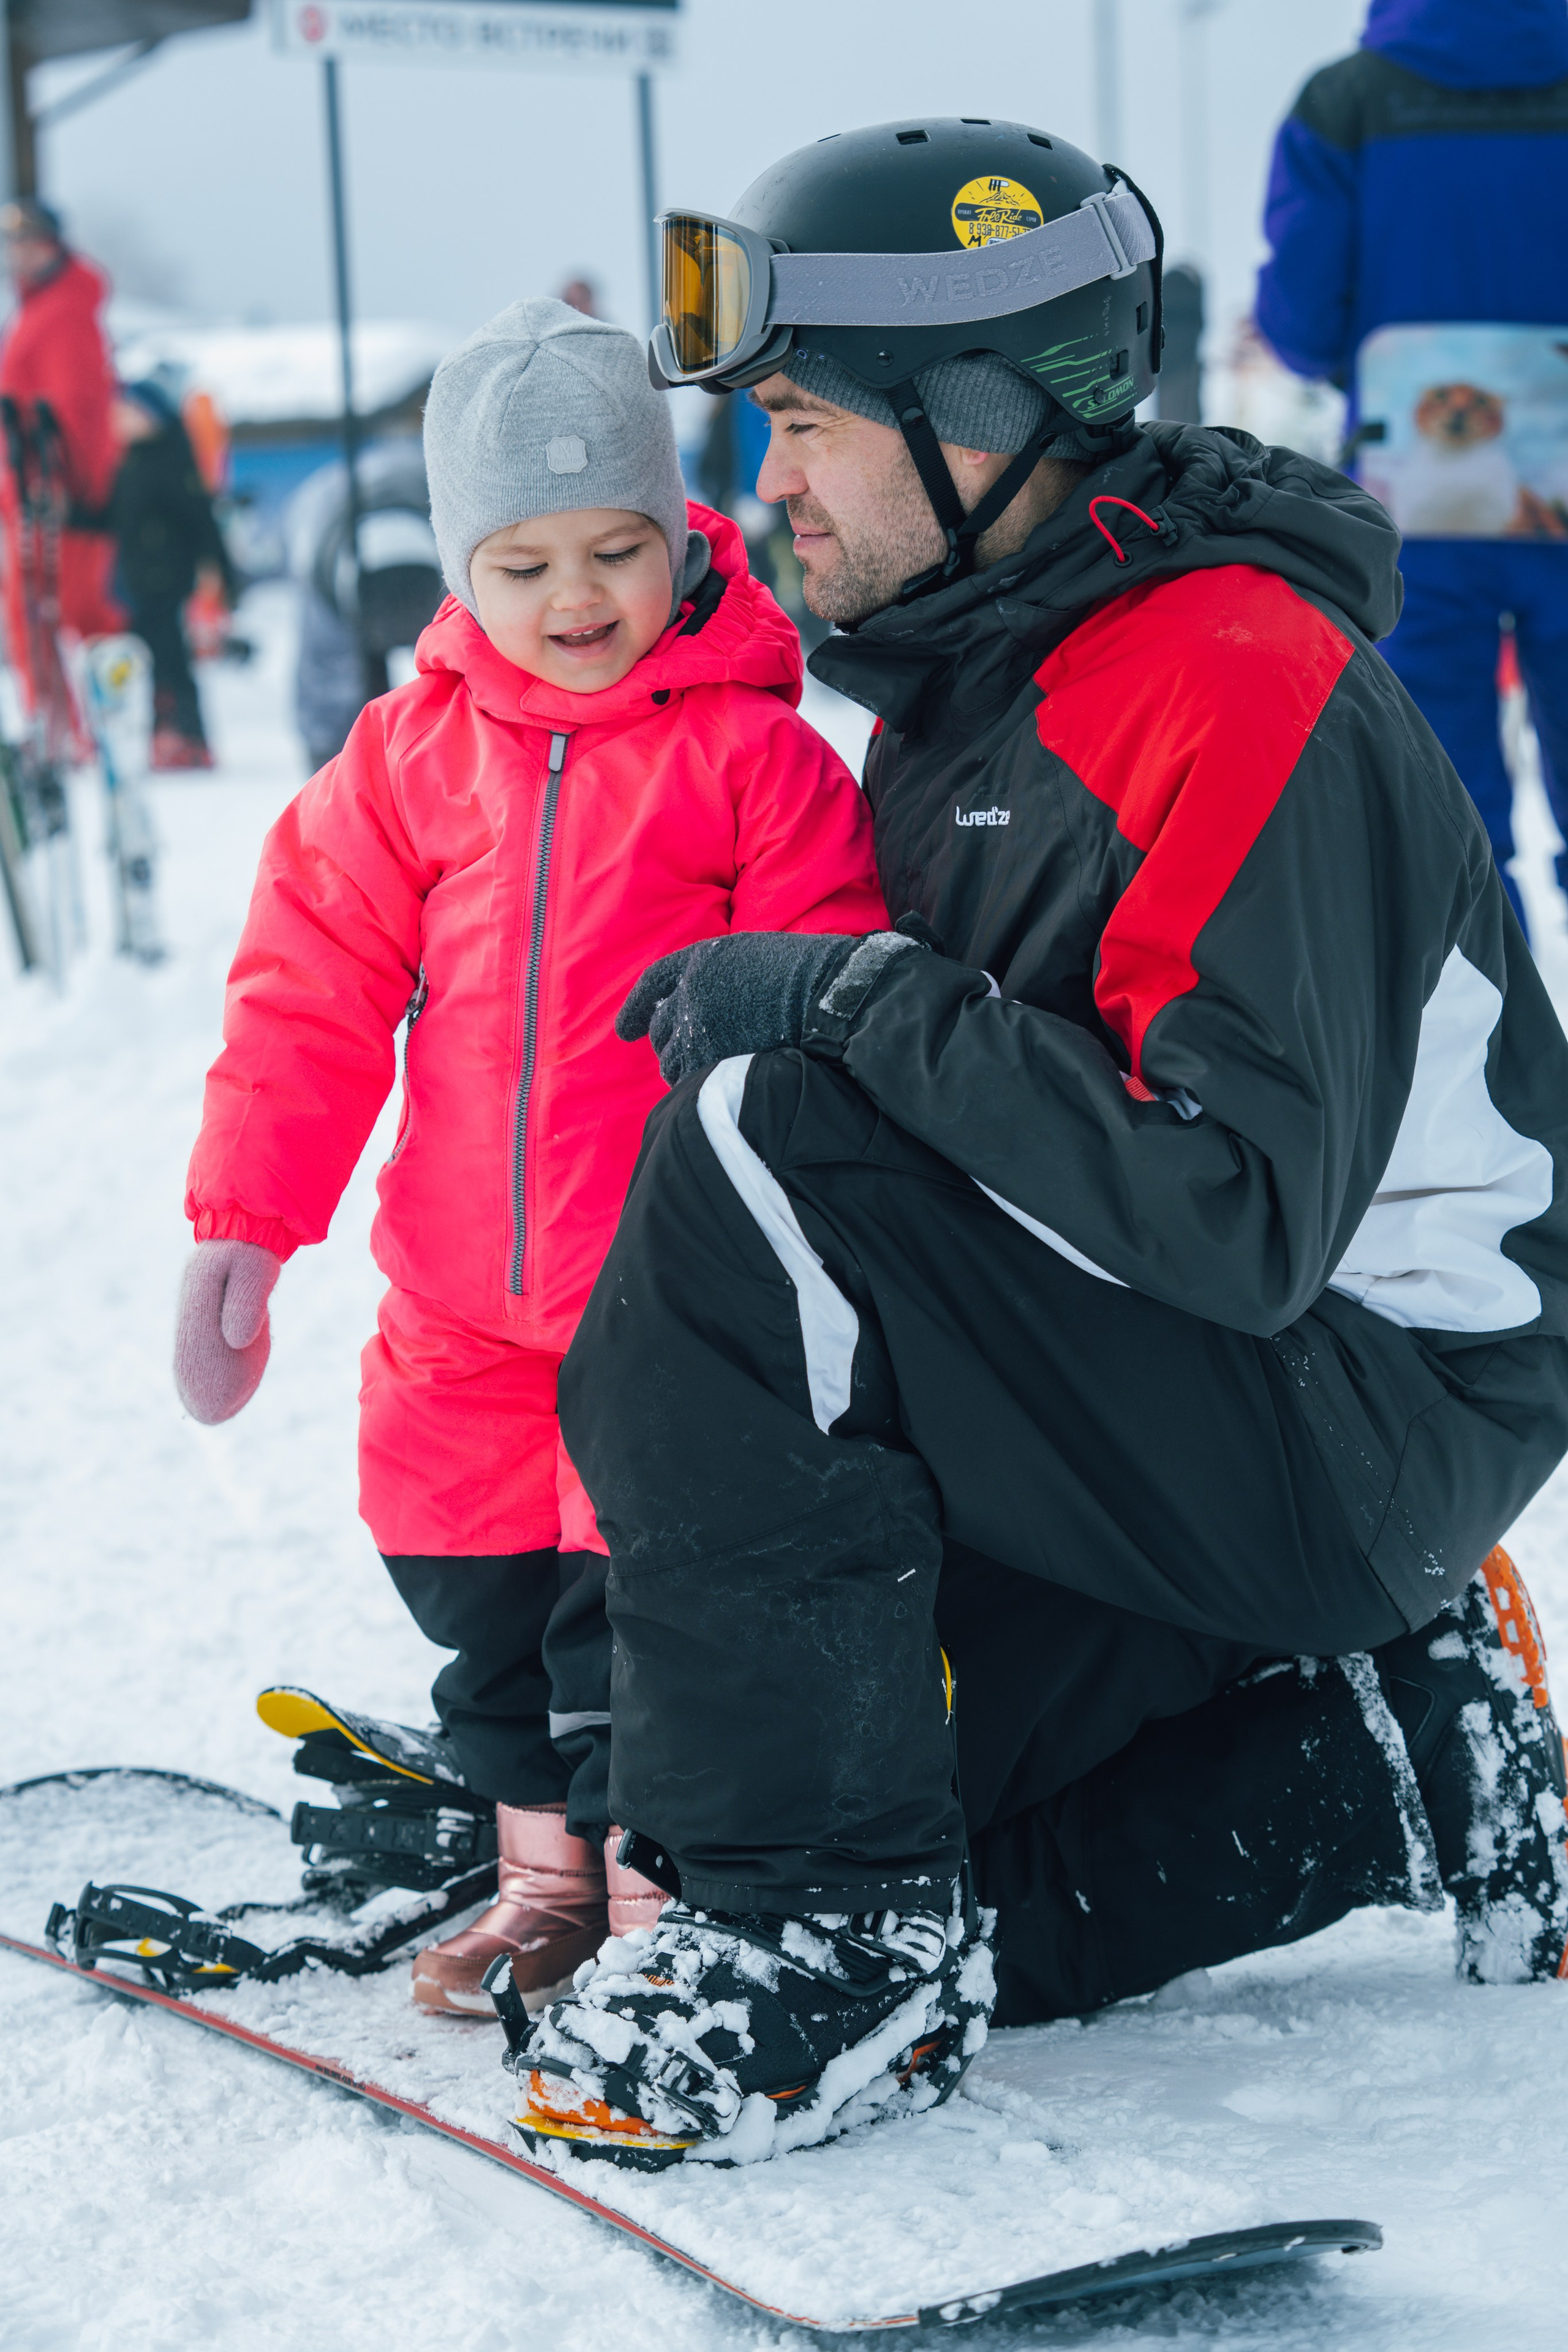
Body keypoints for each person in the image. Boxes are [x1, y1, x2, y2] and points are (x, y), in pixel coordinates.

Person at [509, 118, 1568, 2173]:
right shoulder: (980, 698)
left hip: (1368, 1399)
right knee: (852, 1763)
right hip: (1209, 1415)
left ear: (981, 415)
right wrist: (589, 1746)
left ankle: (828, 1950)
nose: (772, 483)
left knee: (766, 1138)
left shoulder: (1234, 686)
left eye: (806, 422)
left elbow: (1236, 1209)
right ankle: (1356, 1765)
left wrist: (844, 1000)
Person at [173, 300, 886, 2019]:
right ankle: (538, 1876)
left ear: (678, 536)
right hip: (459, 1304)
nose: (575, 602)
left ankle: (658, 1903)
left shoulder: (755, 762)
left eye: (616, 551)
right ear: (459, 569)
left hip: (668, 1303)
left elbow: (819, 1009)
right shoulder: (405, 768)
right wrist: (245, 1226)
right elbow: (308, 993)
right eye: (523, 564)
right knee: (474, 1589)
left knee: (647, 1617)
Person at [1255, 0, 1568, 937]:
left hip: (1425, 485)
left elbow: (1302, 316)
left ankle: (1495, 1050)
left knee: (1446, 802)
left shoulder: (1346, 102)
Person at [0, 197, 121, 689]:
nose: (19, 255)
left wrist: (62, 484)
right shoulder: (39, 308)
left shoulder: (62, 311)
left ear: (50, 245)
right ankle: (89, 726)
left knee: (51, 614)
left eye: (28, 242)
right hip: (38, 485)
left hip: (55, 492)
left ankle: (84, 731)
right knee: (59, 615)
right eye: (13, 245)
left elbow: (72, 409)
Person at [108, 379, 234, 771]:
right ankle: (162, 735)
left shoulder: (172, 460)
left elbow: (199, 518)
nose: (120, 418)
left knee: (172, 662)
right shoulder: (131, 461)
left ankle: (191, 738)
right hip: (137, 583)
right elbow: (113, 518)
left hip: (166, 580)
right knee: (148, 663)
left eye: (129, 411)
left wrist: (216, 568)